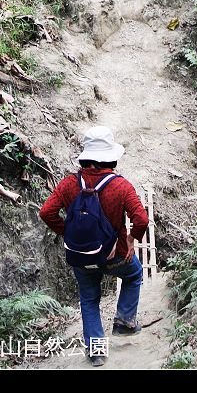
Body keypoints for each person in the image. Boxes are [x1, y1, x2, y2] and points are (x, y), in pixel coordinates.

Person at [39, 126, 149, 367]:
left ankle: (96, 351)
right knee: (135, 274)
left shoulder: (69, 184)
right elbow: (141, 219)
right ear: (110, 157)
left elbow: (46, 212)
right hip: (115, 255)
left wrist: (65, 231)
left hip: (81, 255)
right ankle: (124, 322)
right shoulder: (121, 186)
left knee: (89, 299)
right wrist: (131, 239)